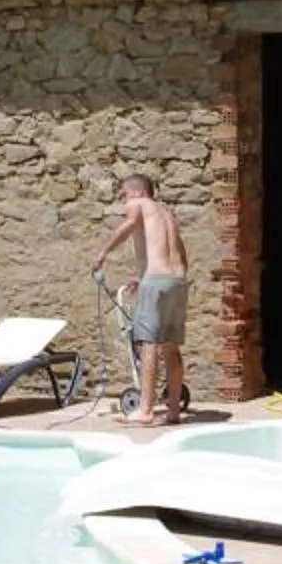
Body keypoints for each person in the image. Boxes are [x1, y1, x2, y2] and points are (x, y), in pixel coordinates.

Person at [91, 173, 188, 426]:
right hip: (177, 282)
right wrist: (143, 277)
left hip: (156, 281)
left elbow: (131, 223)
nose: (124, 200)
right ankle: (174, 411)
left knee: (148, 344)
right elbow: (179, 255)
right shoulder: (167, 214)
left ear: (136, 192)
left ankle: (145, 410)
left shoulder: (138, 204)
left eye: (124, 194)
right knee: (170, 347)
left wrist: (103, 252)